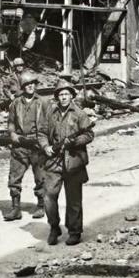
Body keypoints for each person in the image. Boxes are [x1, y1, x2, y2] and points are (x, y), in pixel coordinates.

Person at [37, 82, 94, 246]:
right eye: (60, 95)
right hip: (54, 161)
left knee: (74, 199)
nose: (63, 97)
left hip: (74, 161)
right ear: (57, 97)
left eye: (66, 94)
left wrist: (75, 142)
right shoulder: (51, 112)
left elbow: (89, 134)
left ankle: (75, 231)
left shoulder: (79, 114)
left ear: (71, 96)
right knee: (49, 196)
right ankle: (54, 227)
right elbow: (41, 132)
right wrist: (45, 146)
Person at [3, 71, 45, 221]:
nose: (30, 86)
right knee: (14, 177)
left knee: (41, 177)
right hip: (20, 144)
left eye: (32, 83)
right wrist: (12, 134)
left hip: (37, 145)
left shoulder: (43, 103)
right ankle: (15, 209)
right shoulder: (15, 103)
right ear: (22, 87)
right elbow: (11, 122)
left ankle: (41, 205)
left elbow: (49, 124)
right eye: (27, 84)